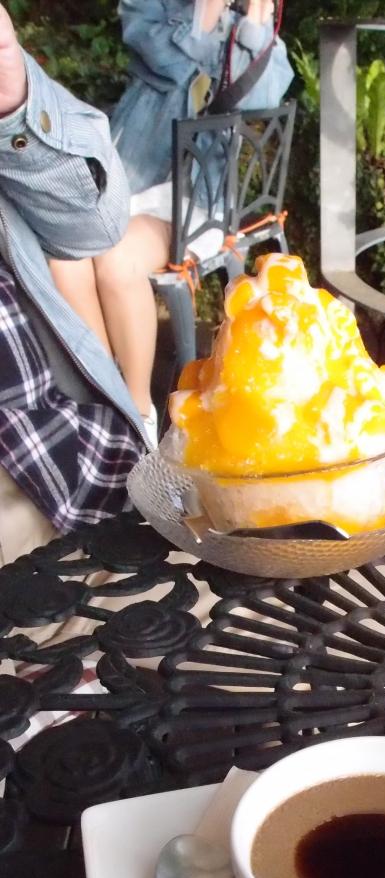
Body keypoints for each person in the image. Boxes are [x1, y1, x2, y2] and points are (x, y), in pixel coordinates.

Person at [48, 0, 293, 434]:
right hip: (126, 181)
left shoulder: (254, 30)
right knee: (64, 255)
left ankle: (136, 414)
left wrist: (255, 17)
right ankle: (104, 390)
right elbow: (163, 61)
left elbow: (260, 100)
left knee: (117, 260)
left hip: (193, 202)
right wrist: (206, 13)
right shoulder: (154, 6)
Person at [0, 4, 151, 569]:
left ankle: (136, 407)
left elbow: (94, 224)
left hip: (168, 185)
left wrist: (13, 103)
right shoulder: (160, 13)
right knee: (94, 265)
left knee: (106, 259)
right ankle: (139, 404)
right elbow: (150, 49)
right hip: (140, 166)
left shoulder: (249, 32)